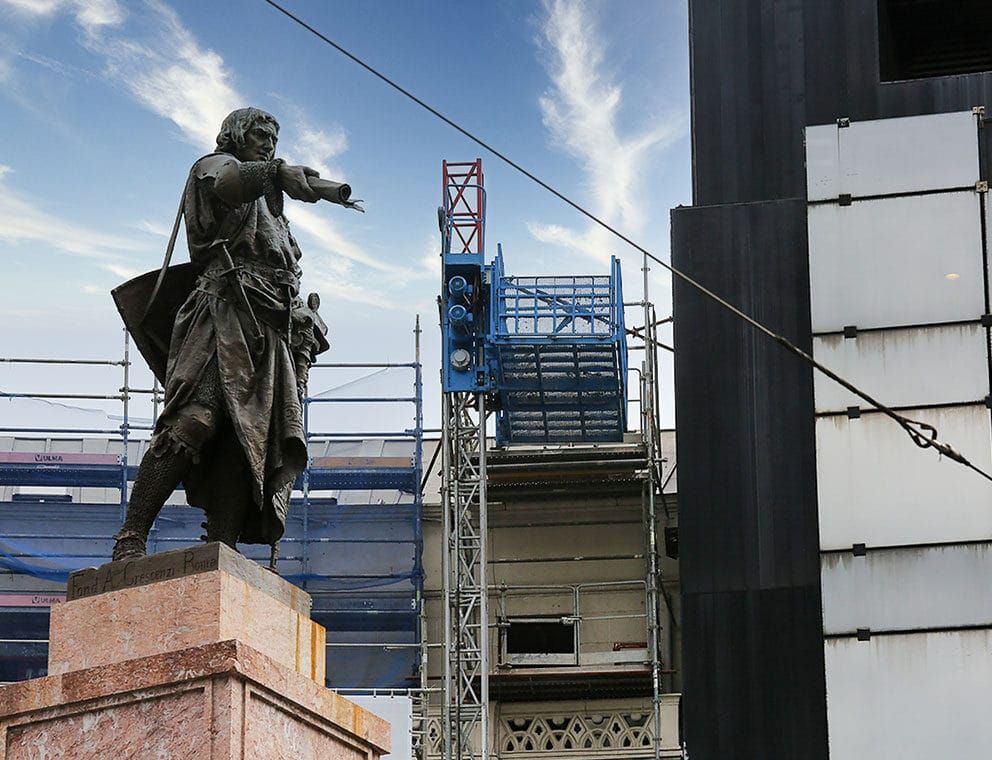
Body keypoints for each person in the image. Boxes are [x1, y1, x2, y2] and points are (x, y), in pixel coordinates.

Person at [111, 107, 359, 568]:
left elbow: (284, 271)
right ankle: (131, 536)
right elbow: (227, 184)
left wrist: (302, 318)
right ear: (236, 136)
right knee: (196, 419)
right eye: (260, 135)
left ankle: (222, 551)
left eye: (273, 139)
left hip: (270, 331)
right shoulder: (215, 167)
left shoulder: (275, 214)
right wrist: (277, 173)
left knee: (246, 447)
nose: (268, 144)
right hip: (223, 312)